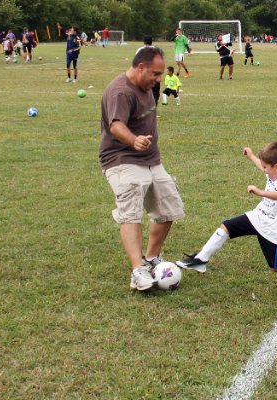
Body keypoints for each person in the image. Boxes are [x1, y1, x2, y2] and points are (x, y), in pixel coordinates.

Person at [99, 46, 185, 291]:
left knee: (169, 206)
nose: (159, 79)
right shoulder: (120, 92)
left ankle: (150, 258)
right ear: (140, 68)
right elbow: (116, 126)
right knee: (131, 208)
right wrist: (133, 140)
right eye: (155, 74)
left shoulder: (147, 86)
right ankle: (138, 271)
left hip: (150, 158)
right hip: (121, 158)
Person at [175, 142, 277, 287]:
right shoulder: (274, 171)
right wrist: (251, 156)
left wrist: (260, 192)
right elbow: (262, 166)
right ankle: (200, 260)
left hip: (273, 229)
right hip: (258, 217)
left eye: (266, 167)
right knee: (227, 226)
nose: (264, 170)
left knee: (275, 266)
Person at [136, 36, 160, 105]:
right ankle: (154, 110)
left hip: (144, 74)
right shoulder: (156, 50)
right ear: (152, 41)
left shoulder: (140, 50)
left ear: (144, 42)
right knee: (155, 93)